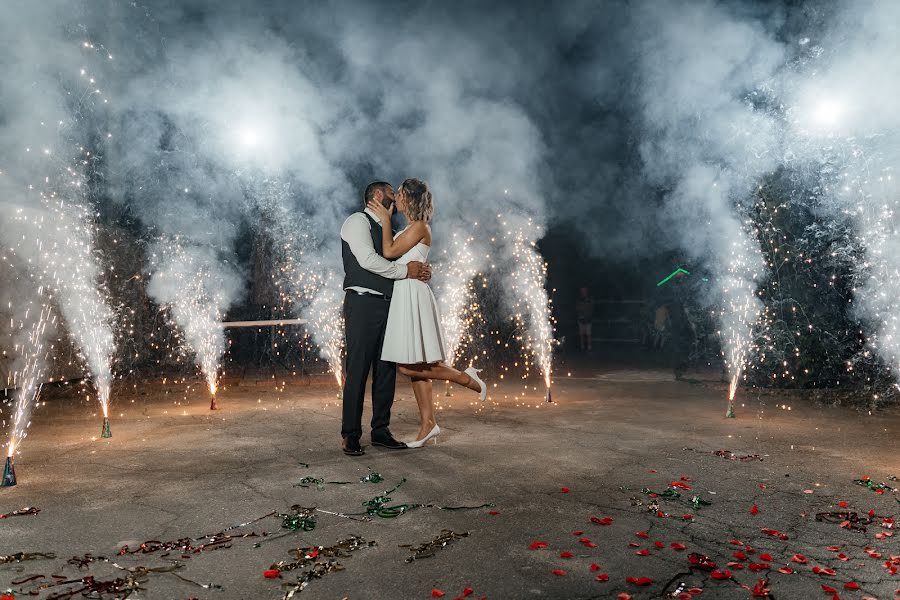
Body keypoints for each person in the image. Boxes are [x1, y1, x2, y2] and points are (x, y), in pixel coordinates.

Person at [367, 178, 487, 448]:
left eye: (398, 193)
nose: (394, 197)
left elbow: (388, 251)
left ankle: (465, 378)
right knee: (417, 365)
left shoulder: (419, 226)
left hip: (412, 295)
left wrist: (385, 219)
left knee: (408, 366)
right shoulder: (412, 228)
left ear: (408, 198)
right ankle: (428, 424)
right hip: (405, 293)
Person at [339, 181, 432, 457]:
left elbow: (410, 256)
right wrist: (405, 272)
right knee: (358, 370)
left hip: (392, 304)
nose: (397, 200)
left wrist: (423, 270)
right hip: (363, 304)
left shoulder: (389, 227)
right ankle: (351, 435)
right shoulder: (357, 221)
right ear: (379, 196)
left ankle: (380, 431)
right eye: (393, 194)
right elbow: (368, 260)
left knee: (386, 372)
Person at [575, 286, 595, 352]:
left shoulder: (589, 299)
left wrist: (585, 308)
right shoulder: (579, 299)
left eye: (584, 290)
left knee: (588, 334)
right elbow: (577, 308)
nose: (583, 292)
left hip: (588, 319)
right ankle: (582, 347)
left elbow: (591, 308)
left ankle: (589, 347)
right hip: (581, 319)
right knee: (582, 334)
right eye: (582, 290)